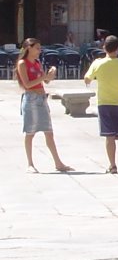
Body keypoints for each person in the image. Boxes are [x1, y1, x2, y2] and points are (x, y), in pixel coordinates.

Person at [15, 38, 72, 173]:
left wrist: (50, 75)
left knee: (49, 132)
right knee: (30, 132)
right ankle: (30, 164)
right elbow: (27, 84)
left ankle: (58, 163)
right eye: (37, 48)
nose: (39, 51)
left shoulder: (37, 62)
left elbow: (44, 82)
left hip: (41, 98)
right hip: (31, 99)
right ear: (29, 48)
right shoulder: (23, 63)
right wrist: (43, 77)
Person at [84, 35, 118, 174]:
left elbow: (87, 78)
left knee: (109, 136)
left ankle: (112, 165)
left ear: (104, 47)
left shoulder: (97, 63)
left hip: (104, 103)